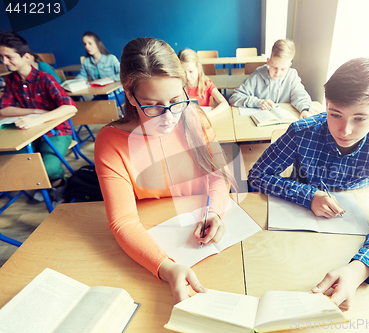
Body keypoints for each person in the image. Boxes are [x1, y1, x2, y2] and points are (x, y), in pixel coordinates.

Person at [248, 57, 369, 310]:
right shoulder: (302, 131)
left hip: (352, 238)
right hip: (292, 237)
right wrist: (307, 195)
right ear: (326, 104)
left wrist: (360, 268)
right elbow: (258, 175)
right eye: (335, 114)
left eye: (360, 119)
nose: (344, 129)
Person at [94, 37, 233, 304]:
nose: (169, 117)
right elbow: (122, 221)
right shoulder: (111, 142)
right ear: (130, 95)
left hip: (206, 244)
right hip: (153, 250)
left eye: (176, 100)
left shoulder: (194, 117)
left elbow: (218, 175)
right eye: (153, 105)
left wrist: (215, 211)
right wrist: (166, 268)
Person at [0, 31, 77, 192]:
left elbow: (70, 107)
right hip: (26, 132)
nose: (4, 61)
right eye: (2, 57)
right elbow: (5, 110)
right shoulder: (10, 80)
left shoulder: (45, 78)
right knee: (8, 162)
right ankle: (37, 184)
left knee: (48, 168)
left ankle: (59, 186)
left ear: (26, 57)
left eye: (9, 57)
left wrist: (40, 119)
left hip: (57, 131)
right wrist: (35, 112)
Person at [229, 39, 313, 119]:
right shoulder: (257, 76)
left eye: (283, 69)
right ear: (268, 61)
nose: (278, 73)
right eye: (275, 67)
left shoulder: (292, 76)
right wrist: (258, 102)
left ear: (289, 65)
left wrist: (305, 110)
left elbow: (300, 95)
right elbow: (234, 98)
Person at [178, 48, 229, 116]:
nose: (187, 76)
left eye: (191, 71)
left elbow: (225, 104)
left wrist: (209, 114)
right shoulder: (178, 86)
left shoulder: (206, 84)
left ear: (198, 69)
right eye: (184, 72)